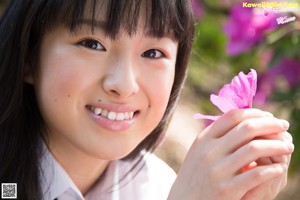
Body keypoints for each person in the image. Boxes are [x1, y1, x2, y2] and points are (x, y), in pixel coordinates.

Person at [0, 0, 294, 199]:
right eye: (92, 44)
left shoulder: (158, 187)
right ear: (28, 57)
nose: (124, 85)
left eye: (153, 53)